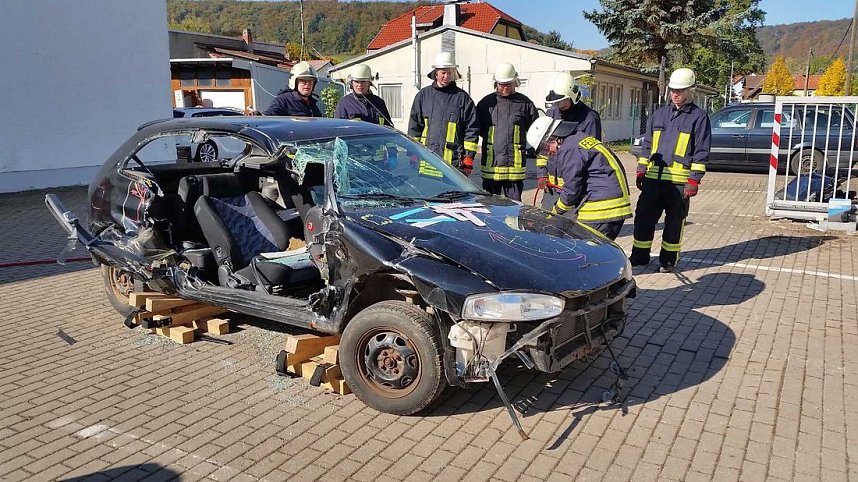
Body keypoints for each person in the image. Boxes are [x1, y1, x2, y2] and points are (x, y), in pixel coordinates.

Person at [630, 67, 711, 272]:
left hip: (678, 184)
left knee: (674, 224)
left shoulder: (699, 117)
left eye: (681, 90)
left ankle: (668, 260)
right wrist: (641, 169)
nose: (676, 94)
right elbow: (647, 145)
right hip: (653, 180)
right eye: (673, 89)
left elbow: (701, 151)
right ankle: (639, 257)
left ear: (690, 91)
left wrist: (694, 180)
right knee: (643, 219)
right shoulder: (659, 115)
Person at [526, 116, 631, 240]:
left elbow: (572, 189)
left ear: (553, 137)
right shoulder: (577, 138)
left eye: (545, 148)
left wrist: (555, 211)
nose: (548, 153)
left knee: (586, 251)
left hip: (600, 209)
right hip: (612, 205)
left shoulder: (569, 149)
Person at [408, 51, 479, 178]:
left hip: (454, 164)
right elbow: (414, 127)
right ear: (436, 73)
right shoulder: (423, 96)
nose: (446, 76)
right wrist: (413, 152)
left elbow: (472, 129)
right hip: (428, 162)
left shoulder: (462, 98)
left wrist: (469, 157)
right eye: (443, 73)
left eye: (450, 72)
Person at [475, 63, 539, 201]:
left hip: (514, 170)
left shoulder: (525, 104)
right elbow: (477, 130)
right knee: (490, 208)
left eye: (508, 84)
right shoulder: (486, 103)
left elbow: (535, 131)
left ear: (515, 82)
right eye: (501, 84)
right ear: (496, 83)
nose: (504, 87)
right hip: (491, 168)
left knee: (514, 210)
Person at [536, 72, 603, 190]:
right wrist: (542, 174)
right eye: (555, 102)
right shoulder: (551, 114)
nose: (558, 105)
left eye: (561, 101)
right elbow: (543, 149)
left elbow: (590, 155)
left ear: (573, 96)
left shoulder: (589, 118)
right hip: (551, 186)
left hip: (577, 186)